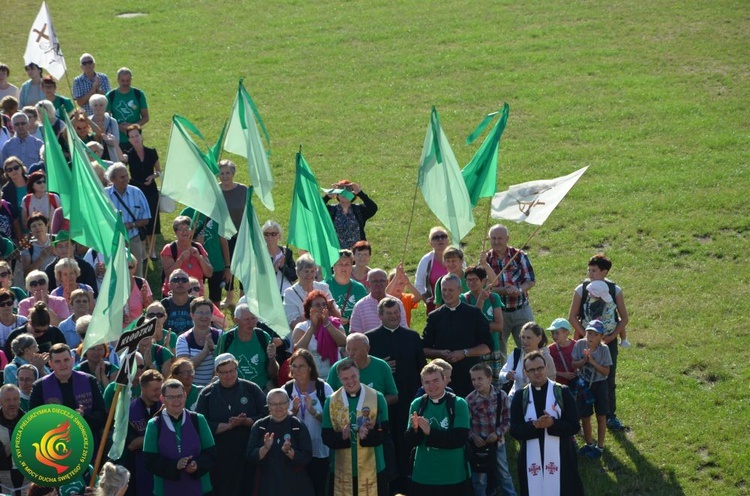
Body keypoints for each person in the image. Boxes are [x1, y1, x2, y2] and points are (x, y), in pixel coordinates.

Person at [364, 296, 425, 492]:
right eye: (389, 313)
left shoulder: (412, 337)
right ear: (380, 315)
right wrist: (381, 365)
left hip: (409, 397)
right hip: (383, 401)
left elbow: (421, 368)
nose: (394, 316)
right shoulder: (370, 339)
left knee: (407, 438)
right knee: (387, 440)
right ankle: (390, 480)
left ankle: (409, 478)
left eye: (397, 312)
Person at [567, 254, 630, 432]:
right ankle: (579, 417)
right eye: (589, 270)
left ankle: (610, 415)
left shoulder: (615, 290)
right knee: (580, 376)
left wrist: (611, 337)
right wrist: (584, 335)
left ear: (604, 271)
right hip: (584, 342)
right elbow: (572, 317)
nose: (590, 273)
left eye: (594, 270)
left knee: (608, 377)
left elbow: (624, 318)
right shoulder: (582, 289)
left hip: (607, 342)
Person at [509, 350, 584, 496]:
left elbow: (574, 426)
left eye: (540, 368)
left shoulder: (562, 392)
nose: (537, 373)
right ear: (526, 373)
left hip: (562, 457)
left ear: (546, 368)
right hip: (530, 458)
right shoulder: (520, 396)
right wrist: (534, 426)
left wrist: (552, 424)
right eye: (532, 370)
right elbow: (514, 430)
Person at [196, 353, 267, 496]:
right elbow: (200, 425)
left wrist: (246, 421)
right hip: (220, 456)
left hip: (247, 452)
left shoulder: (251, 389)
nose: (229, 375)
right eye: (224, 372)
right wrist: (228, 426)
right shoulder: (207, 394)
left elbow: (266, 416)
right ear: (217, 373)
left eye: (232, 370)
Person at [322, 358, 390, 496]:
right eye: (345, 378)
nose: (350, 381)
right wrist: (342, 436)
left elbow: (385, 433)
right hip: (341, 469)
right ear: (339, 379)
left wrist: (368, 435)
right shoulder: (331, 401)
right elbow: (326, 437)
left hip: (374, 467)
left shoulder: (377, 397)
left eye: (353, 376)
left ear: (359, 373)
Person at [405, 362, 472, 495]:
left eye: (436, 380)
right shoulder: (417, 404)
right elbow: (410, 442)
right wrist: (415, 430)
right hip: (423, 476)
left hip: (453, 475)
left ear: (445, 380)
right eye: (427, 382)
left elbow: (459, 439)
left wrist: (430, 432)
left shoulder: (459, 403)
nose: (432, 386)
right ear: (422, 385)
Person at [422, 274, 493, 398]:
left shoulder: (474, 314)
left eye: (450, 290)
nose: (447, 293)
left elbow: (487, 346)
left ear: (459, 290)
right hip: (443, 379)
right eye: (444, 290)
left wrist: (464, 352)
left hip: (470, 376)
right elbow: (424, 349)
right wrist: (440, 353)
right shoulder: (434, 317)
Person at [143, 378, 216, 496]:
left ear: (185, 396)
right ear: (162, 399)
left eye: (179, 396)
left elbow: (211, 454)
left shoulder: (198, 420)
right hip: (165, 491)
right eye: (171, 397)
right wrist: (175, 466)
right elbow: (149, 461)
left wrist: (197, 465)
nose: (176, 401)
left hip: (200, 490)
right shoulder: (154, 424)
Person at [29, 343, 107, 447]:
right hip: (53, 443)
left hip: (86, 440)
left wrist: (83, 418)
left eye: (66, 360)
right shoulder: (39, 387)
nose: (63, 365)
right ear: (50, 364)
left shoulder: (89, 380)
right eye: (57, 361)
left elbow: (101, 414)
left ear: (72, 360)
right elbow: (34, 420)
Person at [247, 388, 315, 496]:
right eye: (273, 404)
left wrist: (289, 452)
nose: (278, 407)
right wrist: (265, 448)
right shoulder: (260, 426)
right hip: (266, 484)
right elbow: (250, 456)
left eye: (282, 403)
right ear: (268, 406)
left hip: (294, 484)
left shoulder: (297, 426)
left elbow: (306, 457)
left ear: (288, 404)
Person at [483, 224, 536, 362]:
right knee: (499, 352)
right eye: (493, 238)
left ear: (507, 238)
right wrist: (504, 291)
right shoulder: (486, 260)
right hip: (498, 312)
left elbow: (530, 280)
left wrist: (518, 290)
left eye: (500, 238)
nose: (496, 241)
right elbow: (483, 288)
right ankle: (503, 381)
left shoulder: (519, 256)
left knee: (530, 348)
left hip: (521, 309)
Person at [285, 349, 334, 496]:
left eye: (302, 366)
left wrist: (313, 411)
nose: (297, 370)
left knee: (318, 487)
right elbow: (279, 419)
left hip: (319, 448)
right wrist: (293, 411)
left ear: (310, 367)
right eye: (294, 366)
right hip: (295, 449)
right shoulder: (286, 389)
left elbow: (332, 419)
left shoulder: (323, 388)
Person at [467, 363, 516, 496]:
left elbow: (508, 419)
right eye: (473, 379)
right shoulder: (470, 400)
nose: (476, 382)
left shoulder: (501, 395)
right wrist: (473, 437)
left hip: (498, 443)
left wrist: (498, 433)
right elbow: (466, 425)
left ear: (489, 378)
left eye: (480, 378)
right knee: (480, 479)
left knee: (504, 474)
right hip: (479, 445)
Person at [571, 320, 612, 459]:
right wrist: (583, 361)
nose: (591, 337)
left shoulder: (604, 350)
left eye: (595, 334)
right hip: (584, 384)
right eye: (589, 333)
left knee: (601, 416)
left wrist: (592, 362)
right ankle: (589, 444)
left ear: (601, 337)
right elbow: (573, 365)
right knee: (585, 415)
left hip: (600, 385)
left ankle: (599, 447)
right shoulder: (579, 345)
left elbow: (606, 372)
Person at [214, 304, 279, 388]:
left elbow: (273, 374)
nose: (251, 323)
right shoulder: (226, 339)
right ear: (236, 321)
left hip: (260, 388)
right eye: (247, 319)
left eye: (253, 318)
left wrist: (272, 358)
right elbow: (217, 368)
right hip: (233, 389)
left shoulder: (263, 337)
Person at [119, 369, 161, 496]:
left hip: (161, 466)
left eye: (160, 389)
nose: (158, 393)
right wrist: (156, 434)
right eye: (155, 390)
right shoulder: (129, 411)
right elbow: (131, 445)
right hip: (137, 468)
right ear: (143, 388)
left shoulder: (165, 407)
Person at [462, 265, 505, 388]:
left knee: (494, 385)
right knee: (475, 384)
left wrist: (480, 327)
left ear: (484, 281)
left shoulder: (493, 297)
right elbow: (470, 325)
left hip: (492, 348)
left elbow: (499, 325)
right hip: (474, 350)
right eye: (468, 280)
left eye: (474, 279)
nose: (471, 283)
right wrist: (480, 301)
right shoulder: (463, 299)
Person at [105, 164, 150, 276]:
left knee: (136, 272)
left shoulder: (137, 192)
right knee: (115, 272)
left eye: (127, 175)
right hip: (113, 241)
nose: (126, 179)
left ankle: (137, 293)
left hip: (133, 239)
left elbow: (146, 218)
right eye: (122, 177)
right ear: (112, 179)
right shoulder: (104, 195)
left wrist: (131, 225)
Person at [327, 333, 398, 403]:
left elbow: (393, 395)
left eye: (355, 349)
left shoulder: (382, 366)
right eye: (348, 349)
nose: (351, 354)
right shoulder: (337, 368)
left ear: (367, 349)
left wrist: (375, 405)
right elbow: (328, 396)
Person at [123, 124, 160, 256]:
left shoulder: (151, 152)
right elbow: (121, 161)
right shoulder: (128, 154)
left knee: (153, 217)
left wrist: (153, 176)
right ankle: (143, 251)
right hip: (136, 189)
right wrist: (115, 143)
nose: (135, 138)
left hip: (151, 189)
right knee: (140, 217)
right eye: (132, 137)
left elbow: (159, 171)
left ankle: (152, 250)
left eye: (137, 135)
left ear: (141, 135)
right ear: (129, 139)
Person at [292, 290, 346, 379]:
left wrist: (327, 324)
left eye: (324, 304)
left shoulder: (335, 324)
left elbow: (343, 342)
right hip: (312, 377)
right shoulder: (301, 327)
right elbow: (299, 350)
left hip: (335, 375)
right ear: (310, 308)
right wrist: (312, 327)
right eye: (317, 305)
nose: (322, 308)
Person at [217, 159, 248, 306]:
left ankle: (243, 297)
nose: (225, 176)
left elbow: (250, 212)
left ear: (233, 173)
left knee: (243, 266)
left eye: (227, 173)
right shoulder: (215, 191)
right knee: (228, 267)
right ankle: (229, 297)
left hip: (242, 234)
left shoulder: (243, 190)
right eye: (221, 173)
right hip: (224, 235)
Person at [500, 322, 556, 399]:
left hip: (538, 399)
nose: (525, 341)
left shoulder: (546, 357)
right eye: (523, 337)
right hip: (514, 398)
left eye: (529, 338)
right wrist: (506, 375)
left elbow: (552, 381)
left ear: (539, 338)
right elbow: (501, 375)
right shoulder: (516, 355)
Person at [160, 216, 212, 297]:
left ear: (192, 231)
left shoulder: (198, 247)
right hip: (175, 296)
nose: (185, 231)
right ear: (176, 232)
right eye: (181, 229)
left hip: (196, 294)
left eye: (188, 228)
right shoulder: (169, 248)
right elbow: (168, 274)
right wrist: (180, 260)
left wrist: (199, 258)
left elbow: (209, 273)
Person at [175, 298, 221, 386]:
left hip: (216, 388)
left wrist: (213, 350)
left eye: (207, 313)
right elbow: (183, 369)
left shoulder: (220, 336)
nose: (204, 316)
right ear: (192, 315)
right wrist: (204, 352)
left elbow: (226, 362)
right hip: (191, 389)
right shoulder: (184, 339)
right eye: (200, 313)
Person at [283, 254, 337, 328]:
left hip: (325, 334)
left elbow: (337, 316)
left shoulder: (323, 288)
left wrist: (332, 308)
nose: (309, 275)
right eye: (306, 271)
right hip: (303, 335)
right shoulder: (289, 293)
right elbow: (294, 323)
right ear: (297, 272)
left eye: (312, 271)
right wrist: (316, 313)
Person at [349, 268, 408, 334]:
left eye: (382, 281)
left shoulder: (397, 303)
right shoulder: (359, 306)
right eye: (374, 281)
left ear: (386, 282)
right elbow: (355, 334)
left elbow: (404, 328)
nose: (378, 284)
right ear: (367, 283)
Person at [323, 179, 378, 249]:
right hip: (336, 253)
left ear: (353, 194)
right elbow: (315, 209)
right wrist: (327, 197)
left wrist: (360, 193)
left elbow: (373, 208)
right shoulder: (331, 210)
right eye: (341, 190)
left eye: (348, 190)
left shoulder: (359, 210)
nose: (344, 193)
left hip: (357, 254)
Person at [43, 231, 99, 296]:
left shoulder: (85, 267)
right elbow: (48, 294)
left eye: (67, 245)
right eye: (60, 246)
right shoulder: (50, 269)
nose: (64, 249)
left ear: (73, 246)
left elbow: (94, 293)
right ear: (55, 249)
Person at [325, 249, 368, 330]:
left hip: (353, 334)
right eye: (340, 264)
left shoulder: (360, 288)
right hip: (331, 333)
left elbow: (365, 314)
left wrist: (350, 320)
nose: (344, 267)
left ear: (352, 266)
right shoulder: (325, 286)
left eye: (347, 264)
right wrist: (334, 318)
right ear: (333, 267)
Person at [106, 68, 149, 145]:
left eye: (128, 80)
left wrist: (132, 127)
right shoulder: (110, 96)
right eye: (123, 80)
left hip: (136, 138)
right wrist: (118, 127)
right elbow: (106, 118)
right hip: (117, 138)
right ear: (118, 80)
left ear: (131, 79)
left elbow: (146, 117)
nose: (125, 83)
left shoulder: (138, 94)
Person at [414, 227, 450, 315]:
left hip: (456, 302)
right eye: (436, 238)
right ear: (431, 243)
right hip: (434, 305)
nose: (440, 239)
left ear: (448, 240)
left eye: (443, 236)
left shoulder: (457, 257)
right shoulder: (426, 260)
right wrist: (427, 301)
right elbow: (419, 284)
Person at [0, 384, 25, 496]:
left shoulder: (30, 421)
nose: (12, 403)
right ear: (0, 401)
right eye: (7, 400)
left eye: (15, 399)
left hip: (28, 483)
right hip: (3, 484)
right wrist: (16, 441)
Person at [262, 219, 297, 294]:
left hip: (286, 292)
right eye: (266, 234)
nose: (270, 237)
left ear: (279, 236)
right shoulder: (260, 254)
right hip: (267, 292)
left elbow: (294, 277)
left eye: (273, 234)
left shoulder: (286, 252)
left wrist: (283, 267)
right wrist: (273, 270)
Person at [385, 263, 422, 327]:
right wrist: (396, 276)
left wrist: (408, 283)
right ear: (389, 283)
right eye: (396, 283)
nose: (398, 286)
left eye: (401, 283)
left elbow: (418, 297)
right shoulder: (386, 298)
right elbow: (387, 293)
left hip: (405, 331)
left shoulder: (407, 298)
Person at [88, 94, 123, 162]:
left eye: (101, 105)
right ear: (91, 107)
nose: (98, 108)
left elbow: (116, 142)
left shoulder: (112, 121)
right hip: (92, 158)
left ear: (105, 107)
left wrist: (104, 136)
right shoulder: (88, 121)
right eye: (95, 105)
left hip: (110, 157)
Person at [547, 318, 577, 387]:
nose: (554, 336)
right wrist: (563, 374)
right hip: (559, 384)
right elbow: (548, 369)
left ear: (566, 333)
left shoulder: (576, 345)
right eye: (552, 333)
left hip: (576, 382)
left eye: (557, 333)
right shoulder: (550, 349)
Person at [124, 256, 151, 326]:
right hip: (118, 332)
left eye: (130, 267)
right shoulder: (113, 286)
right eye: (124, 267)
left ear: (135, 268)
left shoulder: (142, 283)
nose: (127, 270)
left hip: (137, 330)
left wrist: (145, 298)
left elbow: (150, 309)